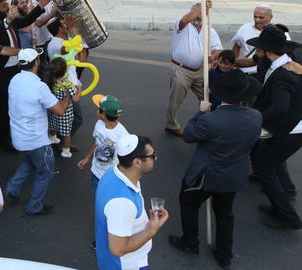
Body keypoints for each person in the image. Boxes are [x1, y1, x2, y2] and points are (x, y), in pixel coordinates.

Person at [167, 70, 261, 268]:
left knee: (188, 203)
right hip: (233, 174)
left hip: (206, 175)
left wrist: (200, 113)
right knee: (225, 213)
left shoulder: (212, 120)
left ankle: (190, 242)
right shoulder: (255, 117)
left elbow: (189, 135)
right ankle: (224, 254)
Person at [6, 48, 72, 215]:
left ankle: (12, 188)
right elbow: (58, 110)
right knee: (46, 171)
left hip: (19, 137)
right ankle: (34, 206)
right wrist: (68, 97)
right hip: (35, 140)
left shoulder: (14, 80)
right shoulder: (39, 86)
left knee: (31, 161)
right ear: (36, 63)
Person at [249, 26, 302, 230]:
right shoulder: (285, 65)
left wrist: (256, 118)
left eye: (259, 50)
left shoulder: (284, 75)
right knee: (270, 160)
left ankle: (288, 217)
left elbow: (280, 108)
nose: (257, 54)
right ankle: (284, 194)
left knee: (263, 166)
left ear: (267, 51)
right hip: (287, 128)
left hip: (289, 130)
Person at [0, 0, 50, 150]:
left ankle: (5, 132)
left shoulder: (10, 20)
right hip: (1, 73)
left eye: (7, 5)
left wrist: (41, 5)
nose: (8, 7)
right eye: (3, 6)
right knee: (5, 106)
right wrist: (7, 21)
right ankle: (4, 141)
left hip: (15, 69)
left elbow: (27, 20)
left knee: (15, 102)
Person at [95, 135, 169, 270]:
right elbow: (117, 249)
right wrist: (150, 231)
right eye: (152, 156)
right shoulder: (122, 203)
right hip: (127, 265)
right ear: (137, 163)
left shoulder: (112, 172)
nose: (155, 158)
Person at [166, 1, 222, 136]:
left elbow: (218, 49)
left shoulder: (210, 30)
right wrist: (202, 8)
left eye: (201, 13)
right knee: (176, 99)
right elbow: (186, 19)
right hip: (181, 69)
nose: (197, 16)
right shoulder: (183, 26)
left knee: (208, 96)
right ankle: (171, 124)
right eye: (195, 12)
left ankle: (204, 121)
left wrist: (213, 57)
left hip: (200, 71)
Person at [78, 95, 129, 197]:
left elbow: (128, 160)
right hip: (96, 174)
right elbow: (97, 143)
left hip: (112, 178)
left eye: (99, 109)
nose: (96, 110)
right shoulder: (99, 124)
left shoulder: (123, 136)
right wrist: (87, 158)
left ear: (103, 114)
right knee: (98, 199)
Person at [43, 57, 78, 158]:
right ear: (65, 71)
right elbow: (75, 99)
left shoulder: (50, 81)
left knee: (53, 125)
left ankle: (52, 138)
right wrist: (79, 89)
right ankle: (66, 151)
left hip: (53, 110)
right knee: (66, 133)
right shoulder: (68, 84)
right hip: (65, 114)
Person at [231, 4, 275, 74]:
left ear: (270, 17)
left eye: (261, 17)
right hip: (245, 72)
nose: (257, 20)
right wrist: (232, 63)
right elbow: (237, 46)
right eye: (255, 17)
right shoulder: (245, 28)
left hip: (267, 73)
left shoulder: (279, 32)